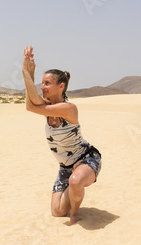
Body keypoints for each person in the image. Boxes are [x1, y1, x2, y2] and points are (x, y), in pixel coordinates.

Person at [22, 45, 102, 225]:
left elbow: (33, 103)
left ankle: (75, 213)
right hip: (65, 166)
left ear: (61, 86)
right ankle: (74, 191)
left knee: (75, 181)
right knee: (57, 212)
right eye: (41, 83)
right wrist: (28, 74)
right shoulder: (46, 108)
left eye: (47, 83)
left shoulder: (69, 109)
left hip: (86, 159)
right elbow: (30, 105)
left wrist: (25, 72)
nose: (42, 87)